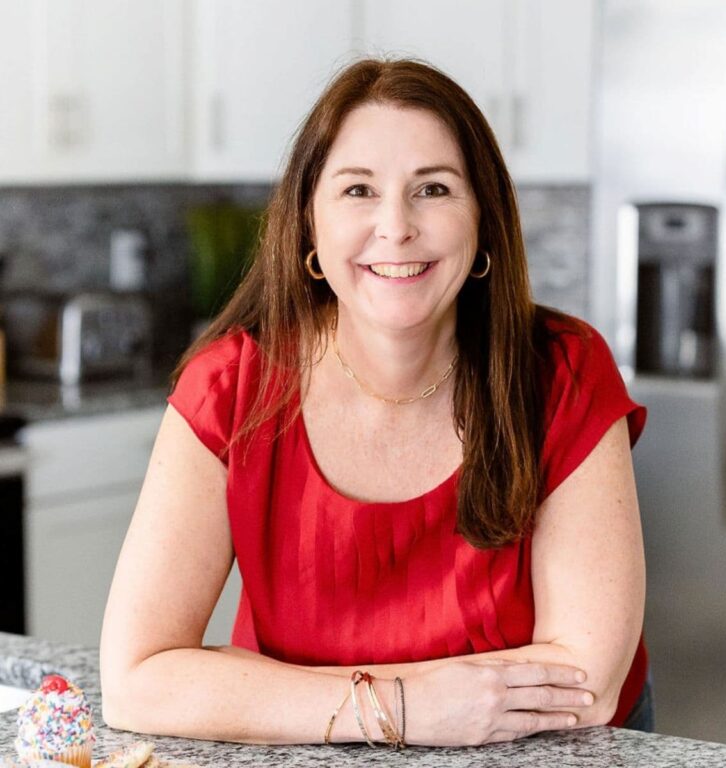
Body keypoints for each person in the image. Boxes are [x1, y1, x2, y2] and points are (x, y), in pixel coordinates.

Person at [100, 57, 651, 748]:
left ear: (483, 218)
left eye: (433, 188)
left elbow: (586, 683)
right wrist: (403, 707)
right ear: (309, 224)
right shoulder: (230, 389)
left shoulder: (563, 371)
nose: (396, 227)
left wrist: (267, 691)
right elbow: (137, 681)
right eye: (358, 189)